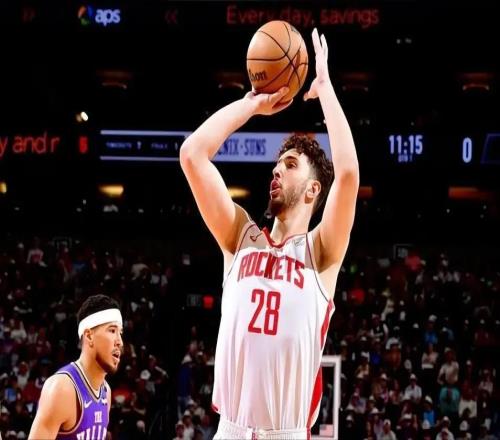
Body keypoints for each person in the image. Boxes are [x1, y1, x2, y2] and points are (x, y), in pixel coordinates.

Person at [180, 28, 359, 439]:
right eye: (277, 164)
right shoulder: (239, 238)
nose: (277, 170)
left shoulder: (321, 253)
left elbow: (348, 173)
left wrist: (326, 90)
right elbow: (192, 155)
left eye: (290, 165)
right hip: (230, 430)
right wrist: (251, 105)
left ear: (313, 190)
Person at [29, 294, 123, 439]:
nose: (120, 342)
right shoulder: (62, 388)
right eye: (112, 330)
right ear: (89, 336)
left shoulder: (106, 392)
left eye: (120, 333)